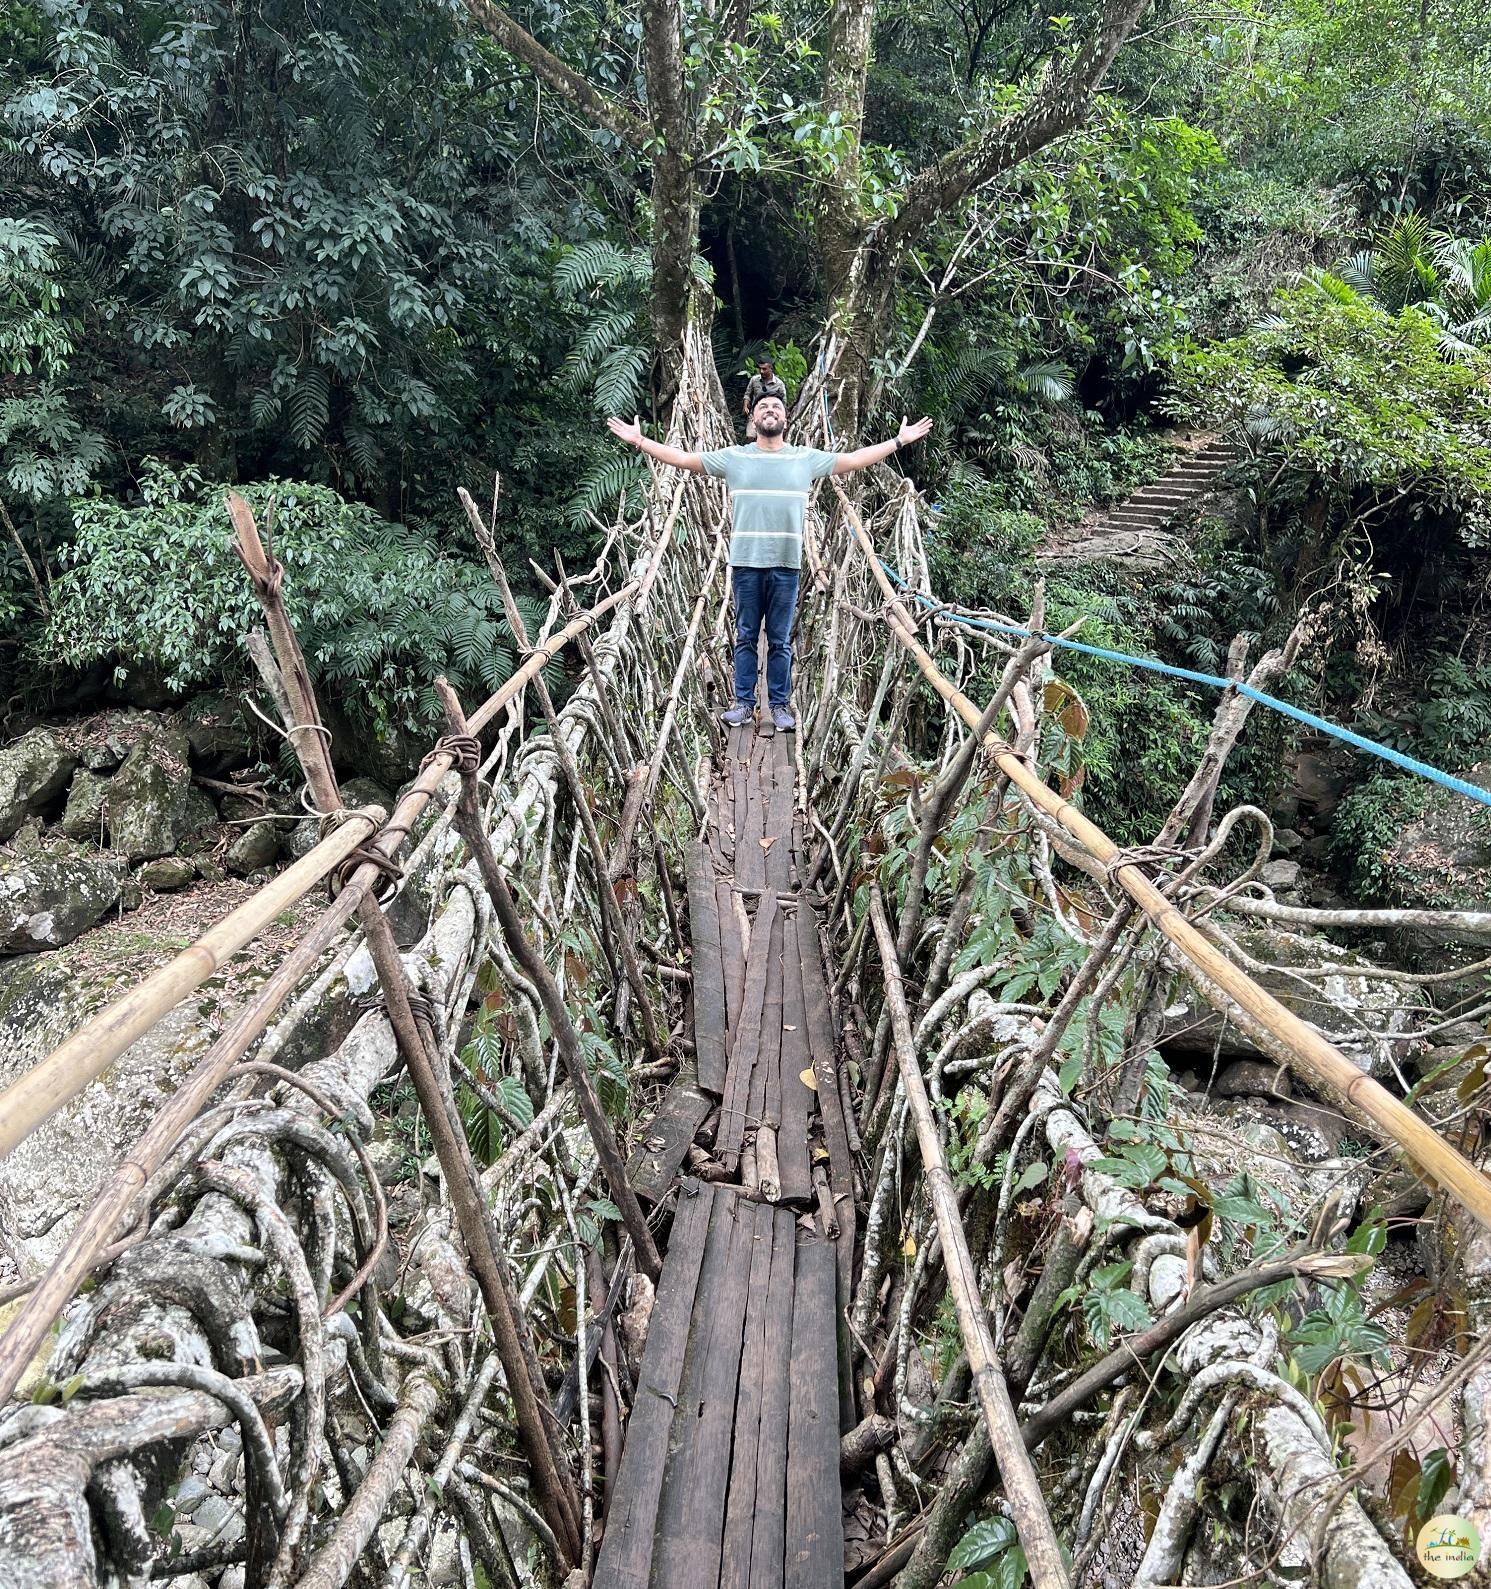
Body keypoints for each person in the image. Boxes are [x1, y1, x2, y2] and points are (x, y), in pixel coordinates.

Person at [606, 396, 932, 731]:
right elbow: (685, 460)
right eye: (763, 407)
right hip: (746, 564)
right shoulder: (734, 458)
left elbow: (852, 459)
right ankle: (744, 704)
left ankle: (778, 706)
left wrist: (898, 441)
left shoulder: (804, 459)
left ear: (786, 419)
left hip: (786, 565)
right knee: (746, 635)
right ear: (753, 419)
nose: (770, 410)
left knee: (779, 639)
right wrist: (640, 441)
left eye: (776, 407)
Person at [742, 358, 787, 440]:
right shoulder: (754, 380)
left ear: (771, 368)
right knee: (750, 437)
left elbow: (783, 404)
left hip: (772, 416)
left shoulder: (779, 384)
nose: (761, 371)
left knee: (770, 439)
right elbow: (747, 394)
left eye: (764, 369)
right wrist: (745, 405)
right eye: (760, 368)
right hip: (755, 415)